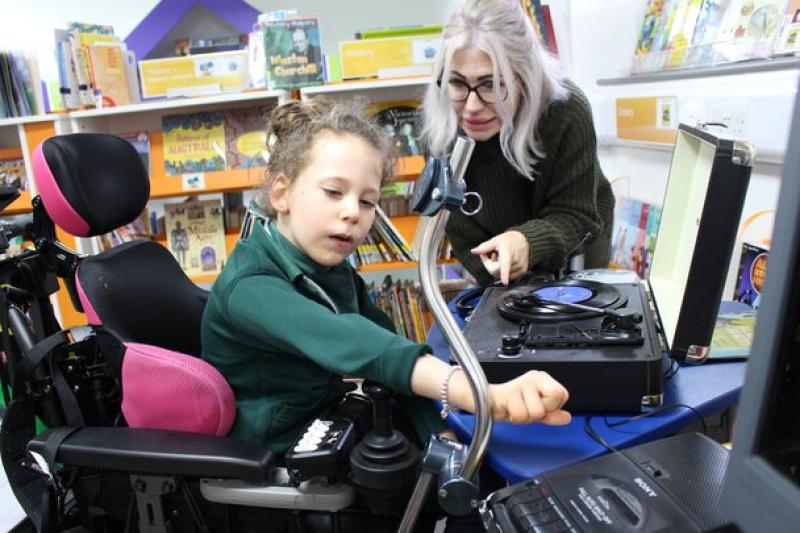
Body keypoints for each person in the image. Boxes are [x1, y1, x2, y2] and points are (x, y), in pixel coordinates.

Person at [201, 98, 570, 529]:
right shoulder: (251, 286)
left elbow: (389, 346)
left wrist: (440, 432)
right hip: (279, 468)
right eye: (334, 192)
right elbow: (357, 344)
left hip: (330, 420)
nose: (352, 213)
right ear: (281, 193)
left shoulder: (329, 268)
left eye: (368, 201)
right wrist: (485, 397)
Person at [422, 0, 615, 286]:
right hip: (499, 263)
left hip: (578, 246)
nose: (472, 106)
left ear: (525, 76)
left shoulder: (565, 112)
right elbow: (461, 231)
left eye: (491, 84)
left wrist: (527, 242)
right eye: (458, 83)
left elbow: (575, 215)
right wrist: (496, 275)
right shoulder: (442, 127)